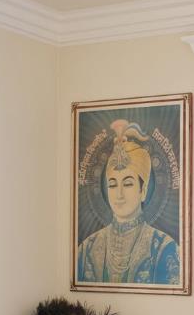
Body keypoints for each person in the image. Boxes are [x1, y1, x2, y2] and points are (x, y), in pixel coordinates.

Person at [77, 120, 182, 286]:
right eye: (112, 184)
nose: (119, 194)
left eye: (127, 184)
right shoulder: (87, 249)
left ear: (144, 190)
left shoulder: (164, 248)